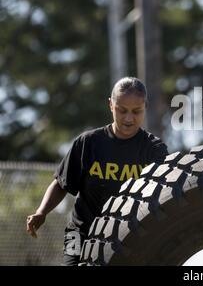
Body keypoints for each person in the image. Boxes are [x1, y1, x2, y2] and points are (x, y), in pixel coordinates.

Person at [26, 77, 169, 265]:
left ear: (146, 107)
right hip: (81, 232)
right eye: (122, 110)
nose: (128, 118)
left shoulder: (154, 150)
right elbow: (62, 184)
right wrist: (41, 212)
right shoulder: (88, 143)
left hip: (129, 235)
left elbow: (165, 196)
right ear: (111, 105)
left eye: (136, 111)